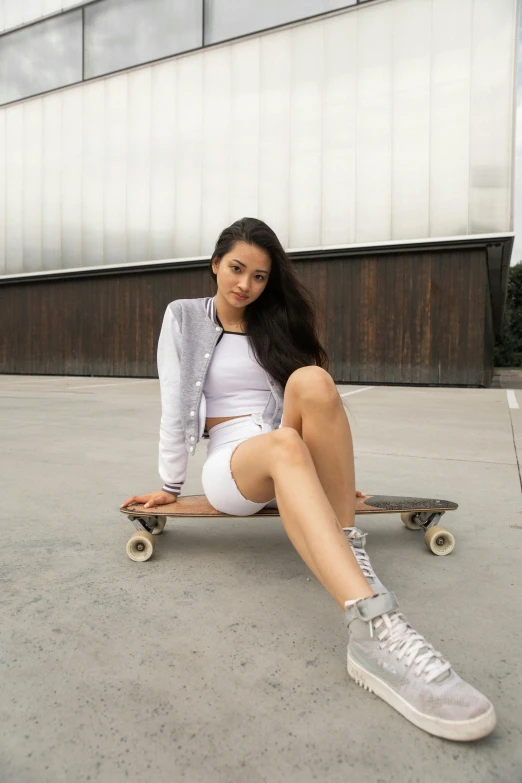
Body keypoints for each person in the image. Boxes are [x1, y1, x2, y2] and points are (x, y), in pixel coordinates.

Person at [121, 217, 495, 741]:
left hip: (285, 448)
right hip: (235, 465)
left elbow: (311, 413)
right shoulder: (183, 317)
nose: (245, 285)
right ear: (215, 263)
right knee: (284, 443)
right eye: (236, 269)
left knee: (313, 379)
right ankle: (373, 624)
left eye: (259, 276)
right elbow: (173, 401)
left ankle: (349, 552)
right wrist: (170, 485)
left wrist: (334, 484)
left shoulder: (276, 324)